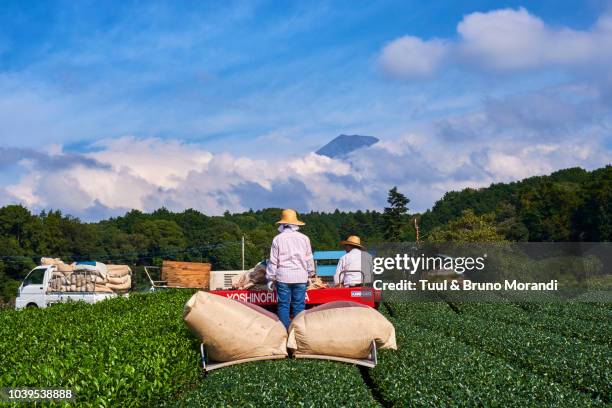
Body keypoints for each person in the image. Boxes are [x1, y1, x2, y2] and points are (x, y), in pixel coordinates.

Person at [266, 209, 315, 329]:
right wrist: (311, 274)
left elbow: (273, 260)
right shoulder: (304, 238)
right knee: (299, 306)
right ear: (296, 224)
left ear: (283, 224)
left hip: (283, 276)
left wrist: (270, 278)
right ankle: (298, 332)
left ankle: (285, 331)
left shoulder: (277, 239)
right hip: (300, 276)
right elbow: (309, 258)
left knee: (283, 305)